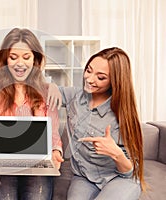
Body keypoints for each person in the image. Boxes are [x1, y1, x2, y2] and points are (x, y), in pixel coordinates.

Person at [0, 28, 64, 200]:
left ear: (35, 59)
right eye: (13, 57)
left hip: (37, 163)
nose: (19, 63)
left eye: (26, 57)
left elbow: (53, 134)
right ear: (5, 59)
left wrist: (56, 151)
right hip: (1, 163)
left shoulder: (46, 92)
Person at [49, 47, 146, 199]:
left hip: (119, 178)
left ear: (115, 81)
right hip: (84, 177)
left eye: (100, 77)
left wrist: (116, 153)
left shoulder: (122, 115)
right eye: (88, 70)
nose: (89, 79)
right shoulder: (74, 96)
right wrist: (51, 86)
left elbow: (129, 171)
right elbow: (38, 89)